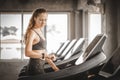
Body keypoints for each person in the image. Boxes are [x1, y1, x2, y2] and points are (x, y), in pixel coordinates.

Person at [24, 8, 59, 75]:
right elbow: (27, 53)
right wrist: (44, 55)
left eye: (45, 20)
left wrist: (54, 67)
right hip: (35, 68)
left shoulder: (40, 31)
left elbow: (43, 52)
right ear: (35, 18)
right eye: (41, 20)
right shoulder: (32, 32)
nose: (43, 22)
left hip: (40, 67)